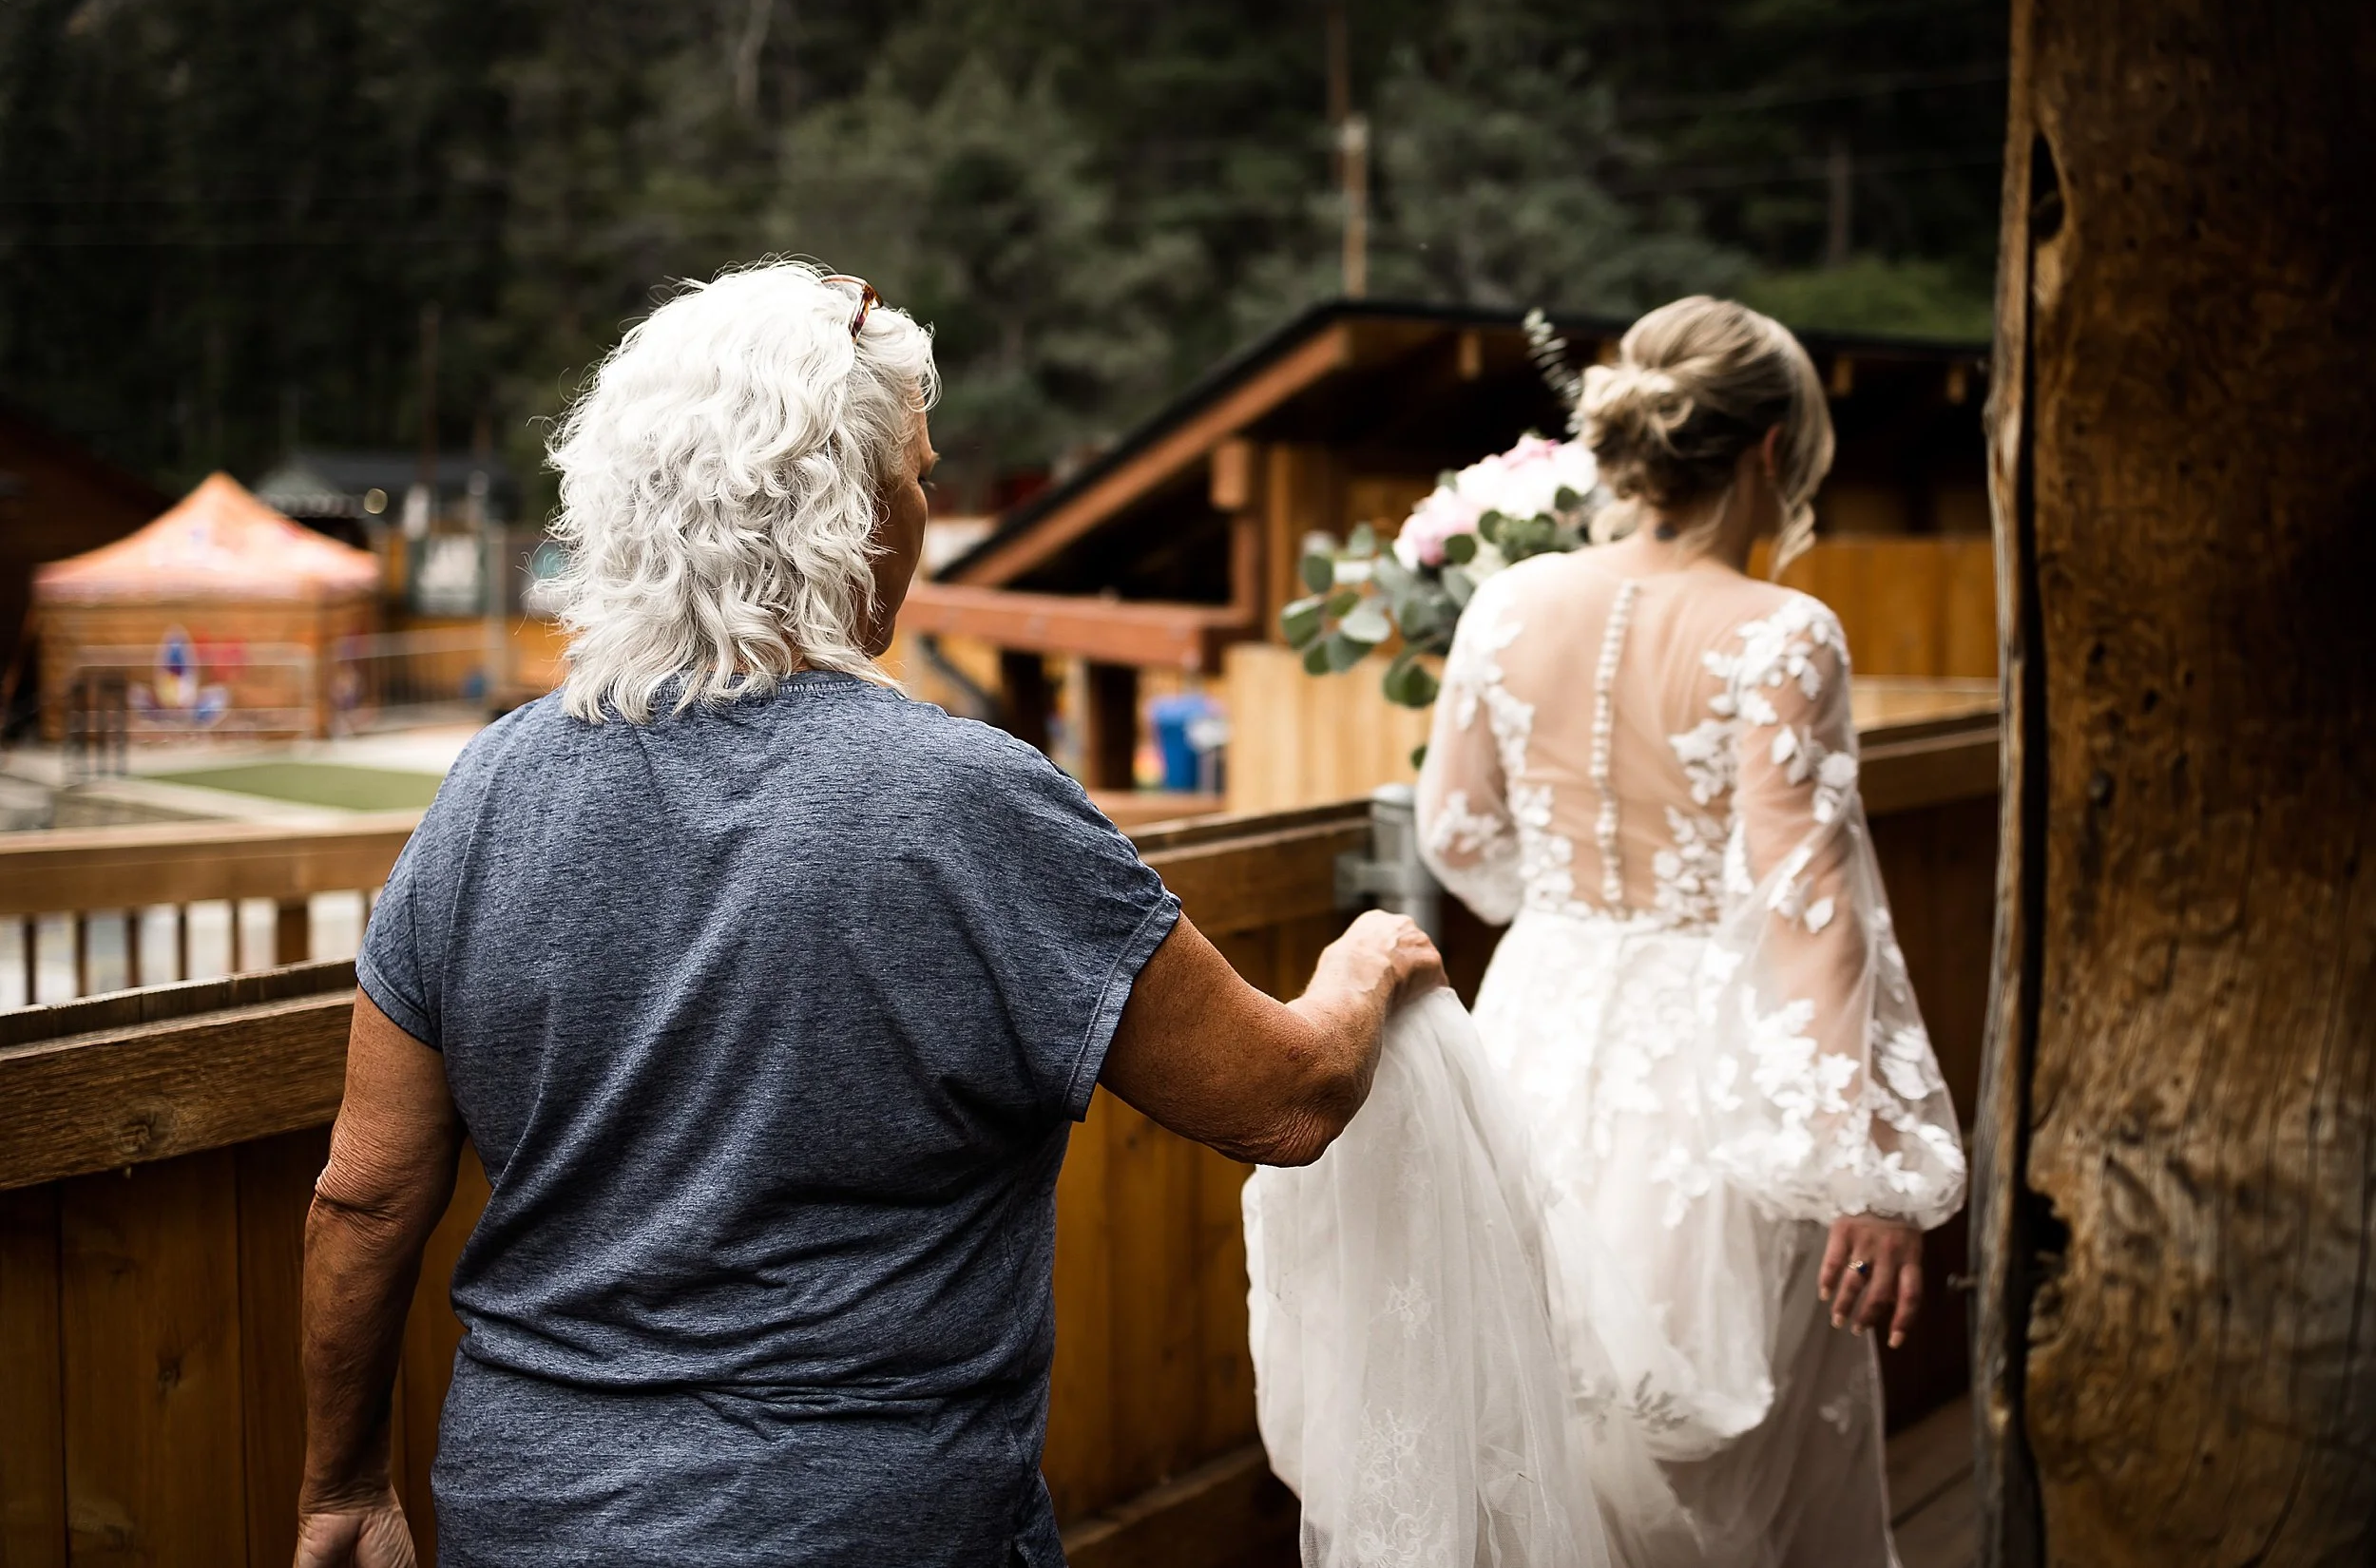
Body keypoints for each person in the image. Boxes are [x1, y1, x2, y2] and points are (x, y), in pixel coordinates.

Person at [291, 262, 1442, 1568]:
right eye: (917, 475)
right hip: (869, 1522)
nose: (924, 504)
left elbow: (366, 1193)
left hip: (531, 1517)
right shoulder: (963, 800)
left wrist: (341, 1486)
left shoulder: (488, 789)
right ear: (844, 508)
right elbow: (1279, 1101)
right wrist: (1366, 963)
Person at [1404, 296, 1968, 1563]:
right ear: (1771, 451)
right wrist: (1864, 1174)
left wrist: (1570, 907)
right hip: (1714, 1076)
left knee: (1539, 1402)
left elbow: (1457, 835)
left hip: (1537, 1029)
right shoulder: (1781, 633)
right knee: (1723, 1463)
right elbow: (1812, 913)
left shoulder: (1509, 603)